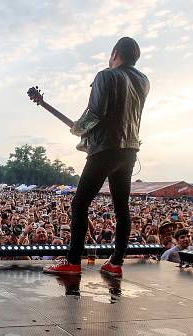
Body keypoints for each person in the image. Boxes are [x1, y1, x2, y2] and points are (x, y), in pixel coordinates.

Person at [45, 36, 149, 277]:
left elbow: (95, 112)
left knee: (80, 203)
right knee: (122, 207)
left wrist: (78, 129)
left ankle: (72, 262)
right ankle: (116, 263)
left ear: (115, 54)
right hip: (130, 150)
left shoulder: (106, 75)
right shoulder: (143, 81)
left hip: (105, 148)